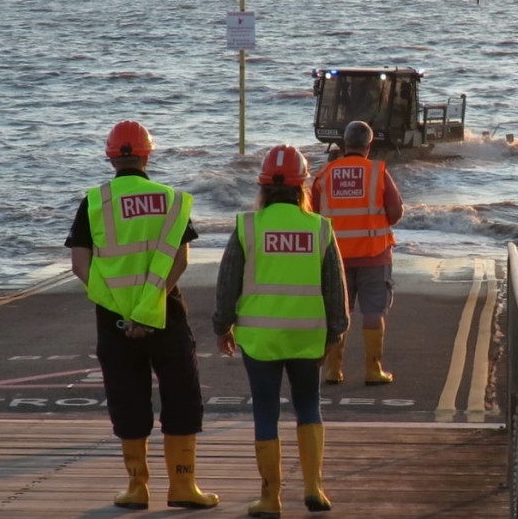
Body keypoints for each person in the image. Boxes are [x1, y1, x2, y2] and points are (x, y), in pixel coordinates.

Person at [64, 120, 217, 510]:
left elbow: (80, 265)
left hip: (114, 321)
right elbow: (180, 260)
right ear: (148, 154)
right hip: (166, 315)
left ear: (111, 156)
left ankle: (137, 488)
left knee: (127, 399)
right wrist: (149, 308)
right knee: (181, 396)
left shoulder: (95, 201)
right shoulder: (168, 199)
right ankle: (183, 487)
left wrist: (125, 312)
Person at [212, 144, 349, 518]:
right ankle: (314, 488)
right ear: (302, 186)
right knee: (309, 407)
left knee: (266, 411)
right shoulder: (319, 228)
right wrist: (334, 334)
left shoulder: (248, 227)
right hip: (307, 337)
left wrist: (222, 326)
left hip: (260, 339)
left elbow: (228, 282)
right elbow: (336, 289)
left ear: (263, 188)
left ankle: (270, 498)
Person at [311, 120, 404, 385]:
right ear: (369, 145)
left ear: (343, 144)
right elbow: (395, 213)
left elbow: (312, 215)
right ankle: (373, 370)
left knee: (337, 313)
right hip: (374, 254)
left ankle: (332, 370)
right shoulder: (377, 171)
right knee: (373, 312)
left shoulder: (324, 173)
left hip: (334, 257)